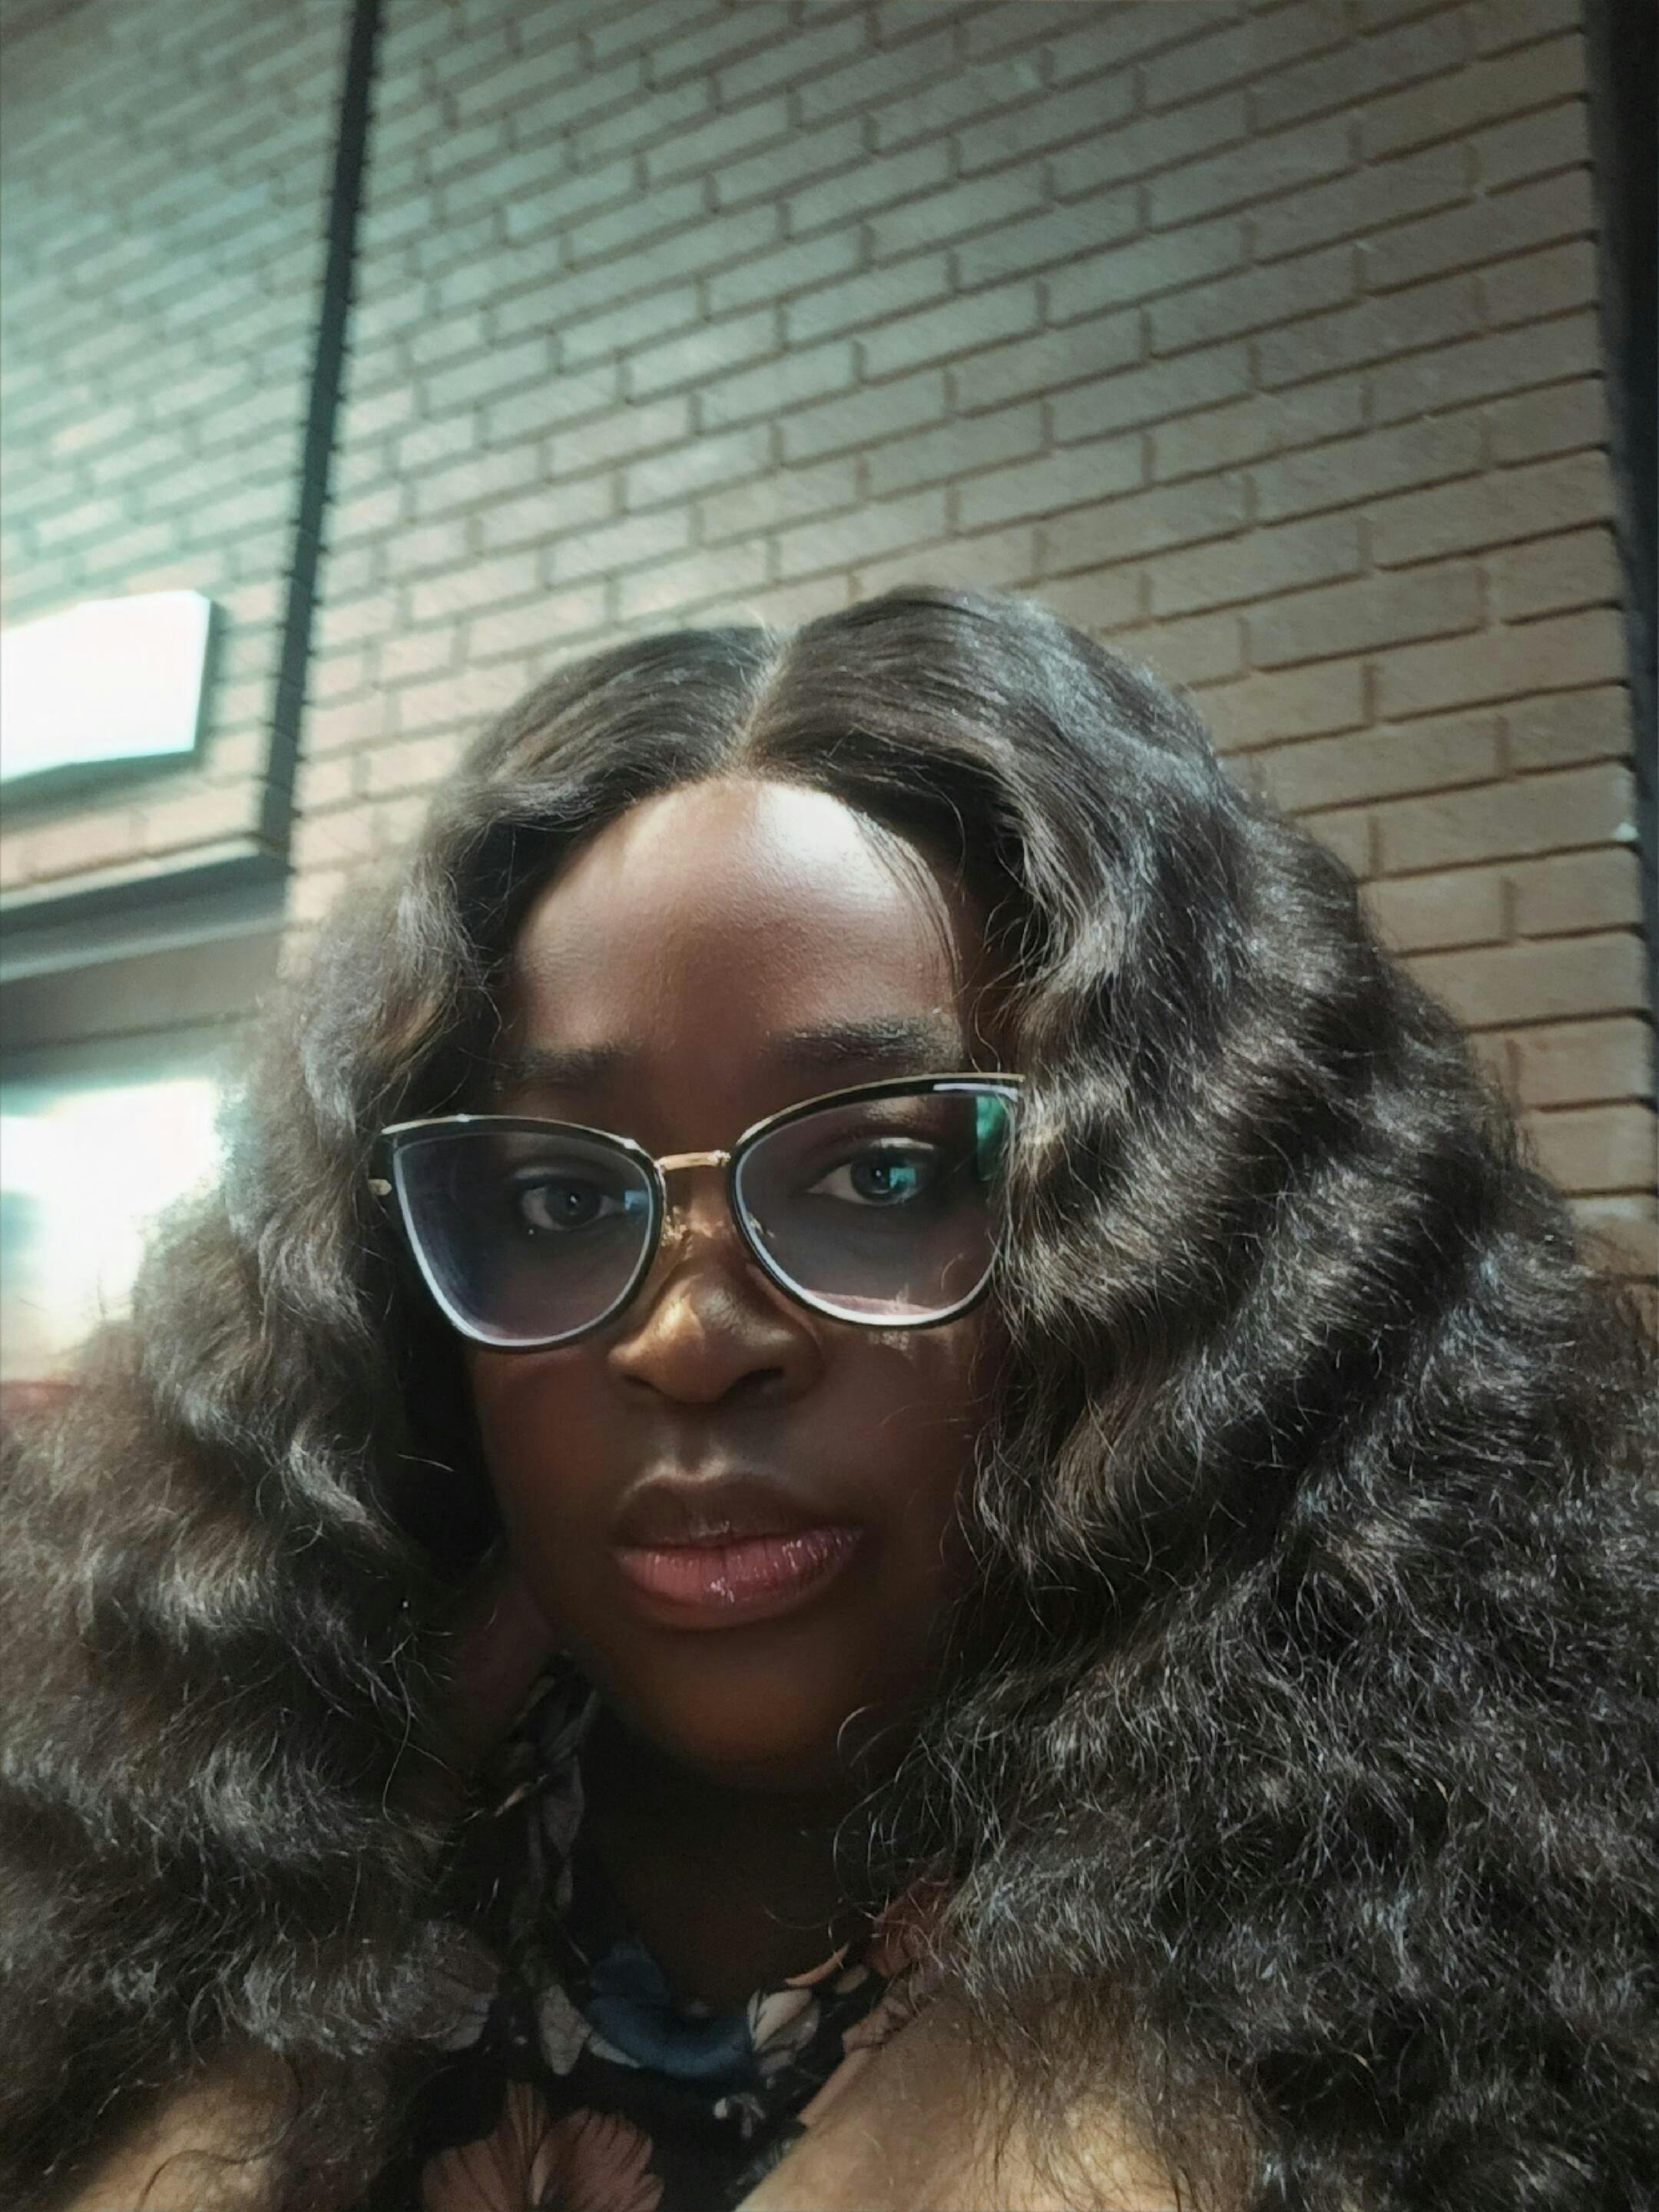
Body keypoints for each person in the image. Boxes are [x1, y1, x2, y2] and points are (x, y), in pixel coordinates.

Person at [5, 588, 1654, 2212]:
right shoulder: (220, 1890)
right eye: (558, 1201)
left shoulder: (1432, 2000)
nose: (690, 1342)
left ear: (1194, 1247)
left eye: (884, 1171)